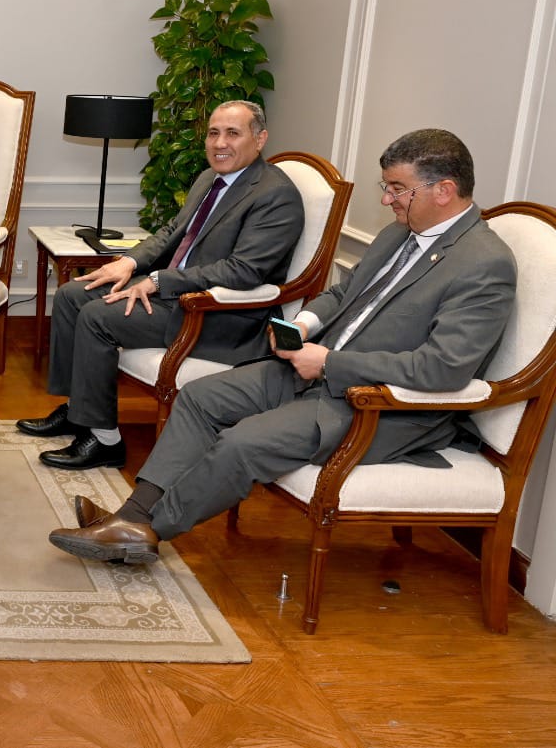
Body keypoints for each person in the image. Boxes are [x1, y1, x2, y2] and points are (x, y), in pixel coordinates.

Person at [47, 129, 515, 564]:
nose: (386, 199)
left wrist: (329, 363)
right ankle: (133, 514)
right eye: (387, 186)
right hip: (313, 371)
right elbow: (343, 293)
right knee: (200, 397)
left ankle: (144, 529)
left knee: (241, 443)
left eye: (397, 189)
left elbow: (443, 368)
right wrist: (302, 325)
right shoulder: (400, 234)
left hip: (375, 405)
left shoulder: (484, 263)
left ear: (443, 190)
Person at [17, 100, 303, 470]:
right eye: (213, 133)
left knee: (97, 317)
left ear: (260, 139)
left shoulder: (275, 195)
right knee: (73, 295)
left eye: (233, 133)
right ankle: (79, 412)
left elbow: (243, 271)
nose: (220, 143)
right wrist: (130, 262)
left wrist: (158, 280)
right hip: (177, 293)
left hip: (218, 314)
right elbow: (172, 232)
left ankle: (105, 441)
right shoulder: (209, 178)